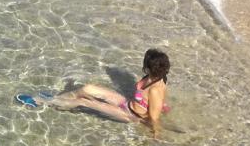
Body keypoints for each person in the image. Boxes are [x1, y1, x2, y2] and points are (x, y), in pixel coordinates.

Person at [43, 49, 171, 138]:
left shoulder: (155, 89)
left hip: (130, 115)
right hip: (127, 104)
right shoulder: (152, 76)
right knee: (88, 89)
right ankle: (57, 99)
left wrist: (156, 133)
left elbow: (154, 117)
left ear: (149, 67)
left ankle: (42, 101)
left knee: (84, 101)